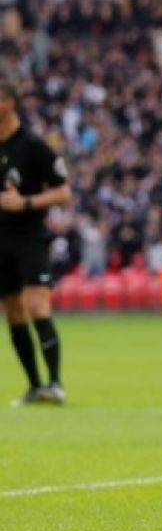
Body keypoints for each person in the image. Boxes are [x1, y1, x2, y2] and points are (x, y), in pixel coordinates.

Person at [0, 79, 72, 406]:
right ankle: (34, 386)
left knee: (37, 304)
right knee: (13, 313)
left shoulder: (32, 145)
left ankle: (55, 384)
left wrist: (26, 202)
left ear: (10, 103)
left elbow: (64, 192)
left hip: (29, 237)